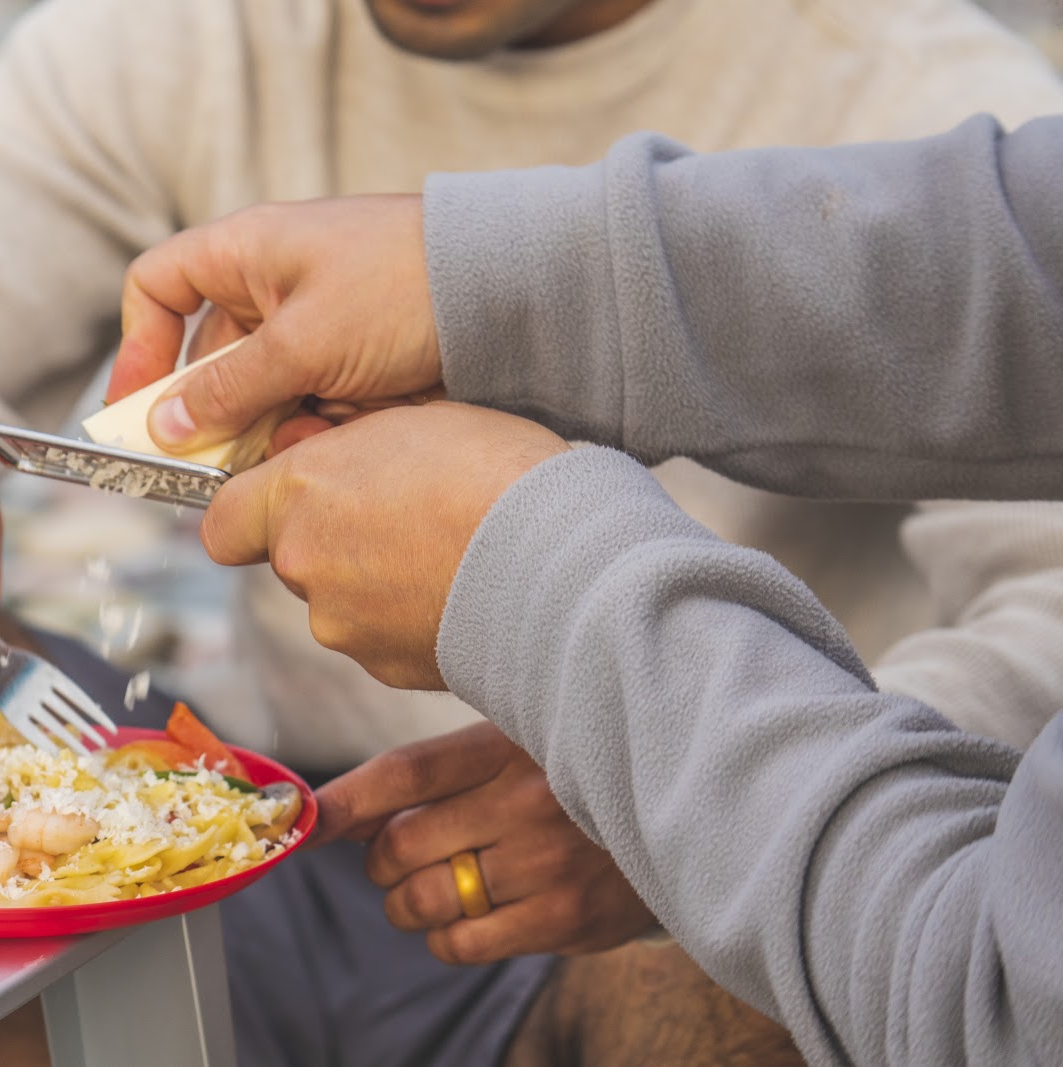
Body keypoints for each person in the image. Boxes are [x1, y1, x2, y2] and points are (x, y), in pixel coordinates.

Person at [0, 0, 1063, 1061]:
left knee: (788, 984)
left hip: (673, 900)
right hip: (238, 816)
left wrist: (686, 769)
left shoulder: (938, 97)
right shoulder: (191, 37)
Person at [106, 111, 1063, 1066]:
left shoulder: (904, 63)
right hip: (309, 841)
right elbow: (1022, 242)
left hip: (674, 933)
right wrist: (479, 283)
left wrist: (583, 656)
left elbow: (993, 1004)